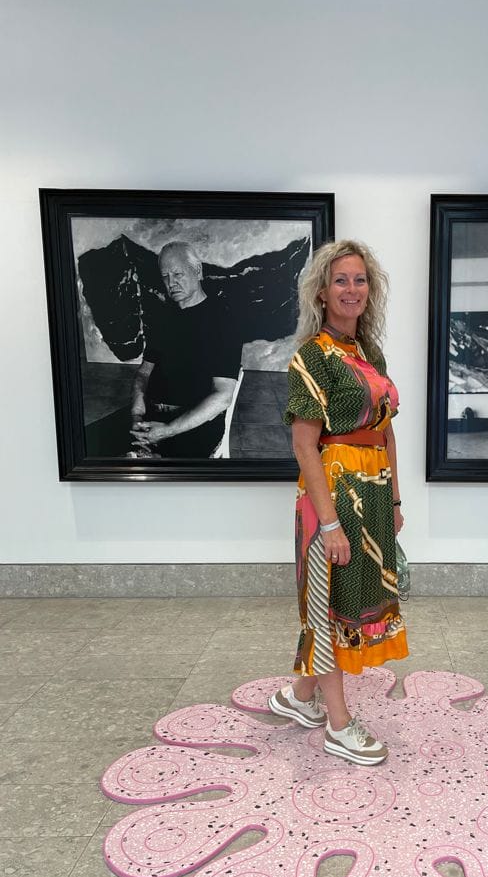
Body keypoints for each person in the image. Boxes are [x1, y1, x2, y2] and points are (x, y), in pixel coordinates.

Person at [268, 240, 408, 766]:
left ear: (371, 290)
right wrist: (329, 523)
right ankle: (339, 725)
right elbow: (304, 444)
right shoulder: (311, 356)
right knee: (328, 608)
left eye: (360, 279)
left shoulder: (370, 355)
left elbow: (385, 432)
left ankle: (300, 697)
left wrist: (395, 499)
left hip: (373, 492)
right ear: (322, 292)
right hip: (332, 494)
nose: (352, 289)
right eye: (341, 280)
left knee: (350, 601)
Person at [129, 241, 242, 457]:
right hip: (151, 416)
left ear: (197, 271)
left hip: (194, 425)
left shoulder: (224, 322)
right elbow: (143, 373)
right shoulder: (162, 317)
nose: (171, 282)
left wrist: (168, 431)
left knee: (144, 470)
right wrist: (137, 415)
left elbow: (222, 396)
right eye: (165, 276)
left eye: (178, 274)